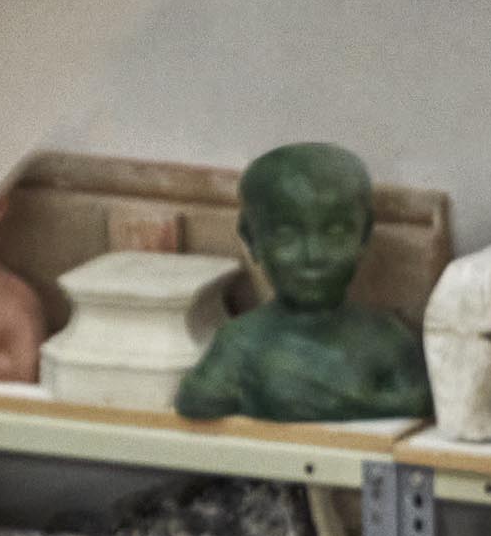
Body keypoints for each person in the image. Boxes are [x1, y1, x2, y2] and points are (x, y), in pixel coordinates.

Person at [173, 140, 430, 422]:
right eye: (286, 235)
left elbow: (421, 403)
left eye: (334, 232)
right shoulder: (241, 342)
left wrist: (340, 406)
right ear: (251, 238)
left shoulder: (386, 340)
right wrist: (259, 398)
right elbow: (196, 400)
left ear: (364, 234)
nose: (313, 256)